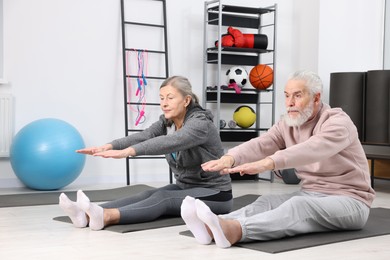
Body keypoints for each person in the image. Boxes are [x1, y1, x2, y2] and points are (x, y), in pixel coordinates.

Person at [180, 70, 375, 248]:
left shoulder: (338, 122)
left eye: (297, 96)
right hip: (311, 193)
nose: (290, 102)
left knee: (298, 207)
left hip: (351, 201)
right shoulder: (288, 122)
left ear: (316, 98)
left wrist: (268, 162)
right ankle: (213, 223)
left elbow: (312, 149)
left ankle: (235, 230)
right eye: (287, 95)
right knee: (267, 201)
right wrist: (230, 158)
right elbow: (263, 143)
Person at [59, 75, 232, 231]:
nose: (164, 103)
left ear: (186, 100)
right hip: (186, 187)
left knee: (163, 198)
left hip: (215, 194)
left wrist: (128, 152)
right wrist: (109, 146)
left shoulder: (200, 124)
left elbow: (170, 142)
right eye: (162, 98)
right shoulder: (167, 122)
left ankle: (106, 216)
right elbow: (145, 136)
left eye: (170, 98)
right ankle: (86, 212)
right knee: (147, 194)